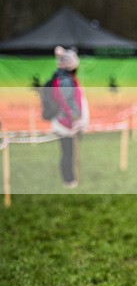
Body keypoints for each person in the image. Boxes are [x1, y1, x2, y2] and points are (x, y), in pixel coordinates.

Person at [50, 46, 88, 188]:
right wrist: (75, 121)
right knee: (67, 153)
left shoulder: (65, 79)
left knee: (69, 153)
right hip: (65, 124)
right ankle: (68, 180)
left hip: (66, 123)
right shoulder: (65, 81)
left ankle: (70, 178)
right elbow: (68, 103)